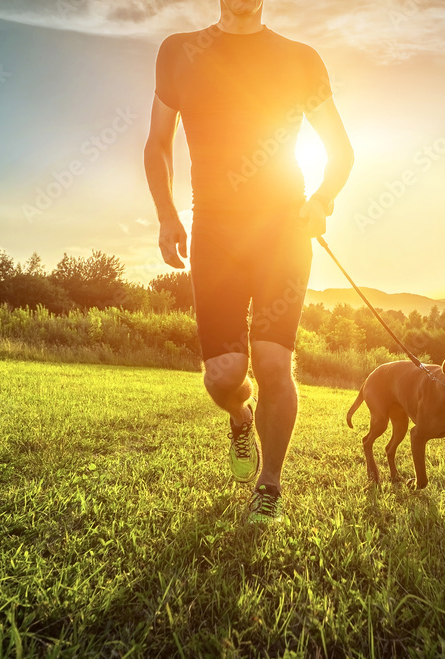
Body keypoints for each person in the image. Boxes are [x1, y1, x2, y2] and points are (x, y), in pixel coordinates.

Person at [144, 0, 354, 523]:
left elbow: (341, 149)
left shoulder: (300, 58)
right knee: (223, 375)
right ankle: (240, 415)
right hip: (214, 230)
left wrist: (322, 200)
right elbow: (158, 142)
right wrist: (167, 214)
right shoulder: (177, 52)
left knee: (273, 362)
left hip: (283, 229)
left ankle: (270, 484)